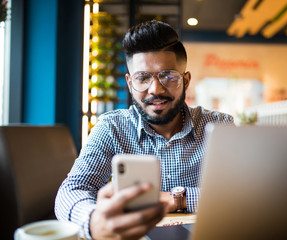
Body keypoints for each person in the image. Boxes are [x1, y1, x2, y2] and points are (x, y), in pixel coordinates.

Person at [55, 20, 234, 239]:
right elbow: (71, 191)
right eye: (142, 78)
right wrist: (93, 221)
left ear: (185, 81)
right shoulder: (111, 127)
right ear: (130, 83)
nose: (155, 89)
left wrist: (175, 198)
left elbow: (244, 191)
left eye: (168, 76)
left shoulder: (220, 126)